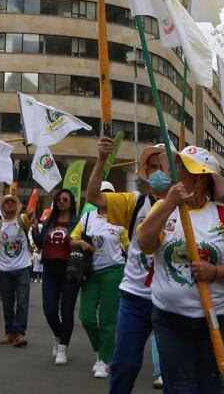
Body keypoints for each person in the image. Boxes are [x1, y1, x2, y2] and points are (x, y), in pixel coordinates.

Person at [135, 146, 224, 394]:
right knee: (180, 388)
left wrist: (214, 272)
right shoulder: (163, 209)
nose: (174, 173)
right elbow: (145, 244)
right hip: (170, 319)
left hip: (216, 320)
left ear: (199, 178)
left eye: (180, 168)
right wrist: (169, 203)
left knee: (211, 386)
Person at [84, 139, 170, 394]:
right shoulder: (134, 202)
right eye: (152, 166)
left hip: (170, 300)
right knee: (124, 366)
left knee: (175, 371)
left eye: (163, 167)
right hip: (135, 296)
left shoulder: (186, 207)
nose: (157, 172)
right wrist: (101, 160)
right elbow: (93, 197)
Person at [73, 183, 126, 378]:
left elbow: (130, 246)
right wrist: (80, 243)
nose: (105, 198)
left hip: (113, 271)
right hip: (91, 272)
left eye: (109, 195)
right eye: (102, 194)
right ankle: (103, 349)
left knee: (107, 320)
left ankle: (103, 360)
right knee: (86, 317)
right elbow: (72, 239)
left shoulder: (121, 220)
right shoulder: (87, 218)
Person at [34, 187, 82, 363]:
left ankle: (63, 348)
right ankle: (58, 334)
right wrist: (33, 229)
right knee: (49, 309)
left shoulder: (78, 222)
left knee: (67, 310)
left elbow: (82, 242)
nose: (61, 202)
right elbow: (40, 243)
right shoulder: (49, 221)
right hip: (50, 268)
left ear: (71, 203)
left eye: (65, 199)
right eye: (59, 199)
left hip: (70, 268)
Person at [0, 194, 33, 347]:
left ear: (17, 205)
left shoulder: (22, 220)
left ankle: (20, 333)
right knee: (7, 303)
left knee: (22, 302)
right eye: (6, 203)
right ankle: (9, 332)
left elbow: (31, 212)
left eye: (12, 202)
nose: (9, 205)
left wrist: (32, 200)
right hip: (4, 270)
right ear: (2, 207)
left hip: (23, 268)